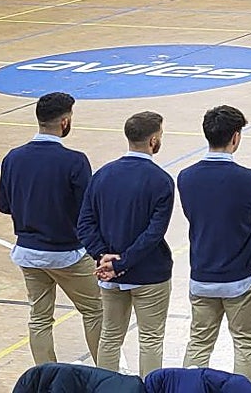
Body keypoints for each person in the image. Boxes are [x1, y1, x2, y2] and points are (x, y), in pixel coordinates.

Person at [0, 91, 103, 366]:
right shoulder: (75, 161)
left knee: (40, 317)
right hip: (67, 253)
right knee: (94, 311)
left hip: (28, 252)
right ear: (65, 122)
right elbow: (87, 212)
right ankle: (107, 374)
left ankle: (45, 375)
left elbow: (4, 205)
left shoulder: (13, 158)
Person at [177, 105, 251, 383]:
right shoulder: (250, 179)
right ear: (235, 137)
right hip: (242, 279)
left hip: (202, 276)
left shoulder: (186, 177)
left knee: (198, 343)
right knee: (246, 345)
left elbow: (195, 213)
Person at [76, 111, 174, 375]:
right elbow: (154, 233)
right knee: (150, 340)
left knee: (110, 337)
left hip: (108, 274)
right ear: (153, 140)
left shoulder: (102, 175)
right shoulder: (161, 180)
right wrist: (123, 262)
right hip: (149, 274)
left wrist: (103, 258)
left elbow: (84, 224)